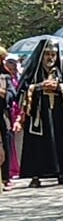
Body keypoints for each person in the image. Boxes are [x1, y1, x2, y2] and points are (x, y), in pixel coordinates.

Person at [17, 39, 63, 187]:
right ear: (41, 55)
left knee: (61, 141)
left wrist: (60, 88)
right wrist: (38, 87)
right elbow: (21, 91)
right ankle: (36, 176)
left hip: (58, 114)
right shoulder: (34, 72)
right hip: (39, 115)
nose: (51, 58)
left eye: (53, 55)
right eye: (47, 54)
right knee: (37, 144)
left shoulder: (60, 72)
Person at [0, 48, 17, 191]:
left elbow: (13, 94)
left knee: (5, 143)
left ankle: (6, 177)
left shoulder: (5, 76)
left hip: (2, 114)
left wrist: (3, 93)